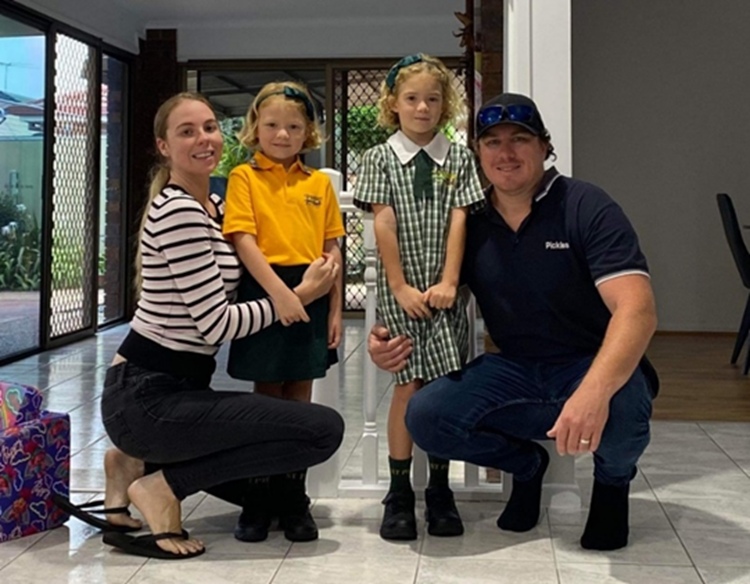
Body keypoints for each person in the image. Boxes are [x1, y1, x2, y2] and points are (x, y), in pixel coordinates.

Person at [368, 92, 658, 551]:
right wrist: (383, 340)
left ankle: (612, 485)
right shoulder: (471, 221)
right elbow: (434, 293)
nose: (506, 154)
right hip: (514, 369)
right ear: (478, 154)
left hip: (588, 361)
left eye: (520, 139)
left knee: (623, 407)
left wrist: (592, 392)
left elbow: (637, 310)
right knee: (427, 416)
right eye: (492, 142)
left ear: (544, 146)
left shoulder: (586, 206)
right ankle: (525, 467)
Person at [73, 92, 343, 560]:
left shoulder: (214, 205)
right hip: (147, 395)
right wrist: (298, 297)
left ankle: (129, 465)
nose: (204, 139)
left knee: (268, 493)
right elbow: (215, 324)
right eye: (187, 131)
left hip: (173, 391)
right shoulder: (179, 212)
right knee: (320, 431)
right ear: (163, 146)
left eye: (210, 127)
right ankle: (161, 485)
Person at [353, 54, 485, 541]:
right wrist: (400, 285)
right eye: (412, 98)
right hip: (402, 292)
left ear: (444, 104)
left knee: (443, 389)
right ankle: (399, 491)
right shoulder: (378, 158)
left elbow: (459, 218)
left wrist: (450, 281)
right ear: (393, 104)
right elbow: (382, 220)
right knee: (408, 385)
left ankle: (440, 490)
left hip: (445, 293)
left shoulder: (459, 157)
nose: (422, 107)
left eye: (432, 99)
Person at [221, 81, 346, 543]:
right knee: (265, 400)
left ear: (307, 132)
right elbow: (243, 240)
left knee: (300, 401)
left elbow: (332, 249)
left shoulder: (318, 184)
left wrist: (332, 307)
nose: (282, 134)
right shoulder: (243, 178)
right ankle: (259, 495)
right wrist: (281, 296)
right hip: (265, 288)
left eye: (294, 126)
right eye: (272, 125)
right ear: (256, 127)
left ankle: (293, 495)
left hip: (313, 292)